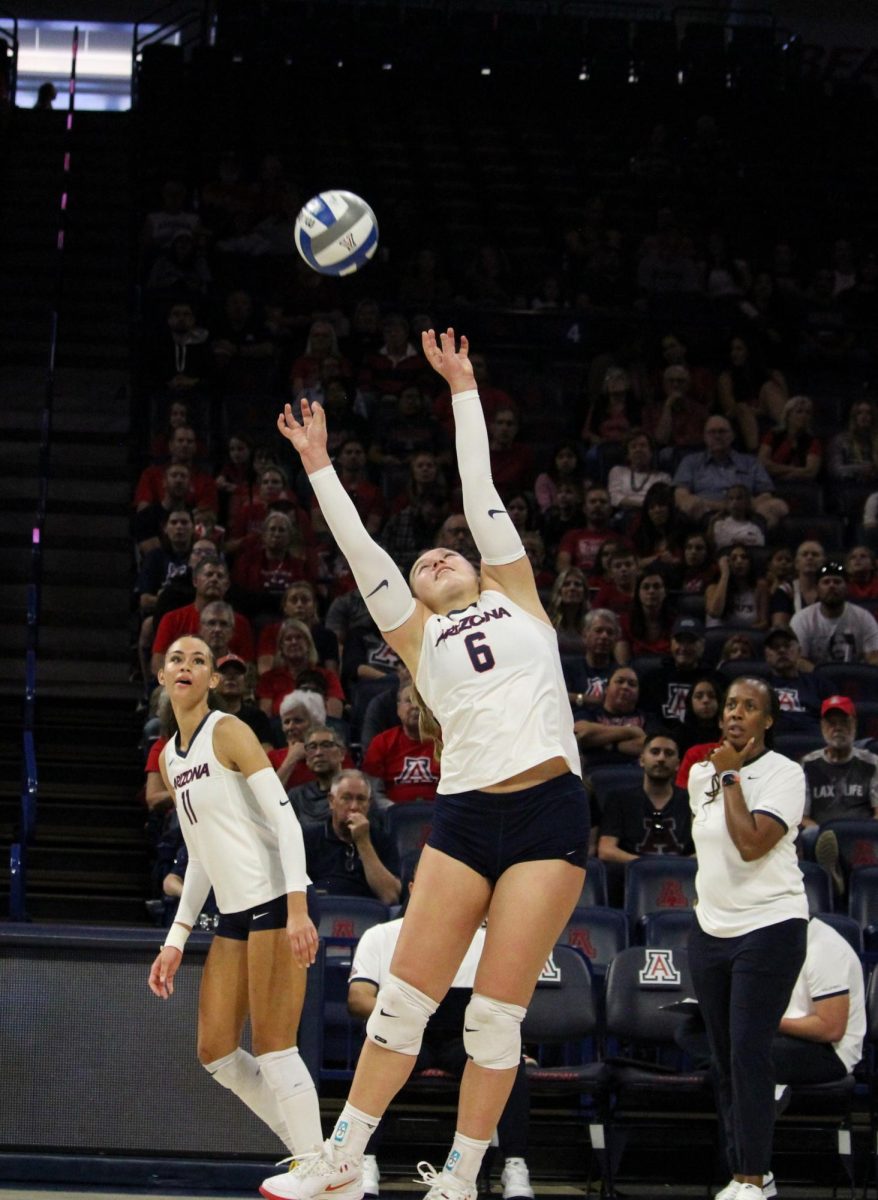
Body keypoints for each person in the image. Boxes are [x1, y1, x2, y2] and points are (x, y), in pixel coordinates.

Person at [261, 328, 588, 1200]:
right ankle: (338, 1159)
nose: (435, 557)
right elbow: (362, 549)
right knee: (406, 1002)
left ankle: (461, 1174)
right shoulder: (416, 635)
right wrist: (320, 462)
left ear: (481, 568)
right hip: (467, 814)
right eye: (423, 561)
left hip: (550, 813)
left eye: (449, 554)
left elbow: (479, 492)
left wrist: (464, 388)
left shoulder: (519, 597)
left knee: (493, 1015)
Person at [146, 636, 321, 1162]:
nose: (187, 666)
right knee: (216, 1051)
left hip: (273, 900)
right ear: (162, 675)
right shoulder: (170, 761)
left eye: (199, 660)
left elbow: (285, 818)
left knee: (275, 1047)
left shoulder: (229, 730)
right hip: (233, 912)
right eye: (177, 658)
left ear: (212, 681)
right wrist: (175, 940)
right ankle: (310, 1153)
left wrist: (296, 909)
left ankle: (319, 1163)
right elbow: (198, 856)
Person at [687, 677, 808, 1200]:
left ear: (768, 721)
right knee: (722, 1055)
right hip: (711, 928)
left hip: (770, 924)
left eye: (750, 707)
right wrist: (721, 776)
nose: (736, 713)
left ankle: (751, 1177)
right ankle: (747, 1169)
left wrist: (732, 777)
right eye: (731, 704)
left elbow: (753, 844)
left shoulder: (785, 773)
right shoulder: (699, 776)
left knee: (748, 1052)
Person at [348, 883, 533, 1200]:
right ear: (413, 888)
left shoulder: (487, 939)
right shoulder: (381, 935)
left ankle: (514, 1166)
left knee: (510, 1064)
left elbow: (504, 1006)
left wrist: (518, 1049)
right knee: (380, 1051)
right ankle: (361, 1160)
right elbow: (358, 998)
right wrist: (399, 1010)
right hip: (405, 1033)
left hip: (463, 1040)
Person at [302, 770, 401, 904]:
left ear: (369, 804)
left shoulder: (382, 839)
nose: (354, 807)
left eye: (361, 799)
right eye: (346, 798)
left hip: (368, 917)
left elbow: (390, 897)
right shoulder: (308, 838)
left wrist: (363, 841)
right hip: (322, 915)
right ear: (331, 801)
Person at [673, 416, 787, 530]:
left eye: (722, 431)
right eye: (712, 432)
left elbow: (766, 494)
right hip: (706, 513)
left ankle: (752, 538)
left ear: (732, 436)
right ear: (704, 437)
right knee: (689, 504)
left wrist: (743, 506)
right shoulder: (690, 462)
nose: (717, 436)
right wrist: (721, 506)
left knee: (777, 505)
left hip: (746, 514)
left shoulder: (751, 462)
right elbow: (680, 495)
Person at [597, 731, 692, 862]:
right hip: (632, 879)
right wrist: (647, 869)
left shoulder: (692, 801)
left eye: (669, 753)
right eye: (655, 752)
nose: (661, 758)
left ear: (677, 764)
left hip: (683, 879)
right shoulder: (619, 799)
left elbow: (706, 851)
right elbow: (606, 850)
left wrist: (675, 869)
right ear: (642, 760)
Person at [802, 696, 878, 828]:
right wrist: (822, 835)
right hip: (821, 837)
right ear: (822, 726)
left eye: (844, 722)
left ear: (854, 724)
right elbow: (802, 817)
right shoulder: (808, 765)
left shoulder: (872, 763)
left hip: (862, 839)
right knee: (809, 835)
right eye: (832, 723)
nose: (838, 728)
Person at [362, 682, 440, 804]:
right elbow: (374, 792)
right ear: (398, 709)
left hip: (440, 814)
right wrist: (393, 812)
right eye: (409, 701)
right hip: (393, 816)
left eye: (422, 701)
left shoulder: (448, 740)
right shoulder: (381, 742)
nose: (415, 706)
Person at [790, 560, 878, 666]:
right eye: (826, 582)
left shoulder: (864, 617)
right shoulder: (802, 619)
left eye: (837, 582)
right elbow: (798, 660)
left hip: (855, 680)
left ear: (847, 588)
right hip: (814, 679)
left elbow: (874, 656)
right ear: (817, 589)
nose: (832, 586)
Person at [763, 627, 833, 736]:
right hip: (773, 744)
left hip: (814, 743)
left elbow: (836, 719)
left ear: (799, 651)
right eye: (775, 646)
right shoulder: (757, 687)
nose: (782, 650)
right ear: (766, 656)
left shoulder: (819, 684)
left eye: (787, 645)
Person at [563, 609, 623, 709]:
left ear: (616, 639)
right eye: (598, 630)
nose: (604, 636)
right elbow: (559, 698)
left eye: (610, 632)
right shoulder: (567, 667)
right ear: (585, 635)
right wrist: (592, 699)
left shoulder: (621, 673)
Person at [705, 543, 770, 630]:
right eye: (733, 558)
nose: (739, 561)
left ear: (751, 563)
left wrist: (742, 635)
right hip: (720, 638)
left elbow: (764, 623)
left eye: (744, 557)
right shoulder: (712, 588)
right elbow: (715, 612)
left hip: (745, 640)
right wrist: (725, 574)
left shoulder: (760, 587)